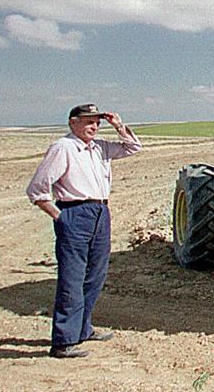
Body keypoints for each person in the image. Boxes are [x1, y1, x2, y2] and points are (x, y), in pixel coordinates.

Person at [26, 104, 142, 358]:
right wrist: (61, 218)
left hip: (100, 213)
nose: (94, 126)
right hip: (74, 212)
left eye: (97, 122)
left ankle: (82, 329)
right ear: (72, 123)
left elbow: (133, 147)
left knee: (95, 275)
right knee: (72, 278)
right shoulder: (63, 148)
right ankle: (63, 342)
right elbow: (36, 190)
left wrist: (119, 126)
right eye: (88, 122)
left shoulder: (100, 147)